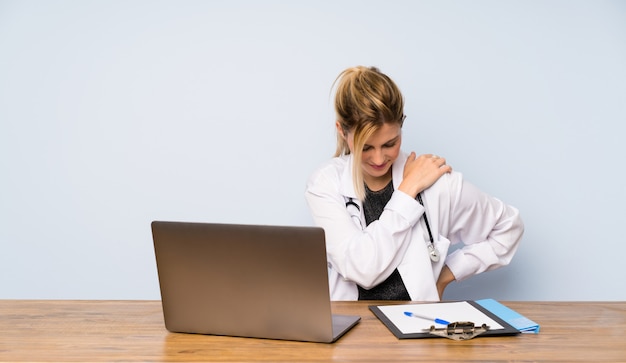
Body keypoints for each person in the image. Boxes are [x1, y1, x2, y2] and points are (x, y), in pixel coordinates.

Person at [305, 66, 524, 301]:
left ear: (401, 126)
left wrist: (448, 274)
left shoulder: (438, 184)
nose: (379, 159)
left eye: (390, 143)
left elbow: (509, 227)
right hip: (351, 329)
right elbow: (362, 269)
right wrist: (407, 191)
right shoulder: (326, 183)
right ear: (341, 131)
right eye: (366, 147)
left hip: (417, 328)